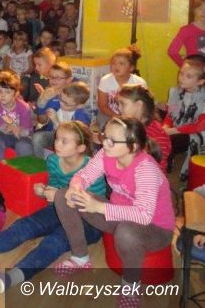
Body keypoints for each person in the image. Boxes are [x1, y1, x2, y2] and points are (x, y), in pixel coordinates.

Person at [0, 121, 105, 294]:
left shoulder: (91, 168)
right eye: (57, 139)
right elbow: (55, 189)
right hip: (60, 209)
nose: (57, 144)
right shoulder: (53, 161)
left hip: (89, 220)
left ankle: (17, 275)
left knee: (56, 240)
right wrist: (44, 191)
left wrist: (57, 194)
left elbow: (90, 204)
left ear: (80, 148)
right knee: (25, 225)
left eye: (65, 141)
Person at [53, 118, 174, 308]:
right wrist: (75, 187)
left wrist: (99, 207)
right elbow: (85, 175)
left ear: (133, 146)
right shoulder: (107, 154)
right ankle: (80, 257)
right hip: (118, 217)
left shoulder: (146, 169)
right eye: (104, 136)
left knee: (126, 232)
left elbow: (144, 215)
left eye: (111, 140)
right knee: (62, 196)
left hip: (155, 229)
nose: (104, 143)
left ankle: (131, 285)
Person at [163, 57, 205, 177]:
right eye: (181, 73)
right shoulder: (176, 92)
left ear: (200, 81)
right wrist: (165, 126)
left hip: (197, 131)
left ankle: (181, 170)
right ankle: (164, 160)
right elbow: (171, 114)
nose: (182, 78)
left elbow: (200, 125)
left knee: (174, 139)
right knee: (160, 132)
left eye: (188, 76)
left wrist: (173, 130)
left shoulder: (203, 98)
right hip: (179, 127)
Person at [117, 85, 171, 174]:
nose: (118, 108)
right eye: (118, 104)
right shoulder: (127, 124)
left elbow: (155, 171)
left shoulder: (157, 136)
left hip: (145, 178)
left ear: (138, 105)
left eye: (123, 104)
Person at [97, 46, 146, 125]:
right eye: (113, 63)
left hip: (131, 116)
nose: (116, 66)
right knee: (104, 123)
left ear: (131, 68)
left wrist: (129, 118)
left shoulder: (139, 83)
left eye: (121, 63)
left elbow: (143, 106)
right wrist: (117, 116)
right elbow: (102, 105)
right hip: (109, 114)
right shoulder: (105, 80)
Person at [167, 0, 205, 66]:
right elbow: (172, 51)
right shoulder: (186, 30)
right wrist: (185, 66)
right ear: (194, 10)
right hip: (194, 70)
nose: (203, 12)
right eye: (200, 8)